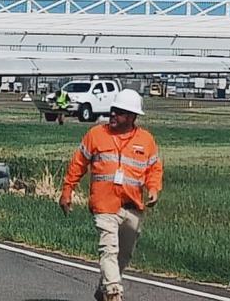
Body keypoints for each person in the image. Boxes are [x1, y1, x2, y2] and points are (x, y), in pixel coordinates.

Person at [58, 89, 162, 301]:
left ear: (132, 117)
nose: (113, 115)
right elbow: (78, 164)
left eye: (120, 112)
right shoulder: (96, 135)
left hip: (132, 206)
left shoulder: (146, 140)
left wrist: (153, 189)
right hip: (104, 205)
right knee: (108, 249)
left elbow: (154, 169)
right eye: (113, 110)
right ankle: (114, 292)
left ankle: (103, 289)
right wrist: (67, 190)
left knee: (123, 255)